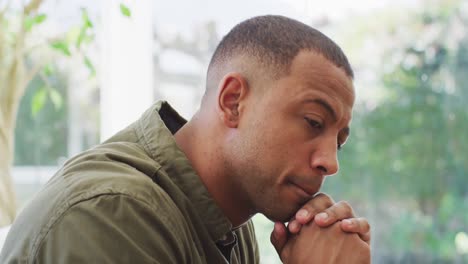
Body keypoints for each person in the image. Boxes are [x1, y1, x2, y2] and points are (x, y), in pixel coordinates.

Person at [0, 15, 370, 263]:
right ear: (233, 102)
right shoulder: (112, 215)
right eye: (312, 121)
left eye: (339, 141)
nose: (330, 162)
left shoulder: (231, 228)